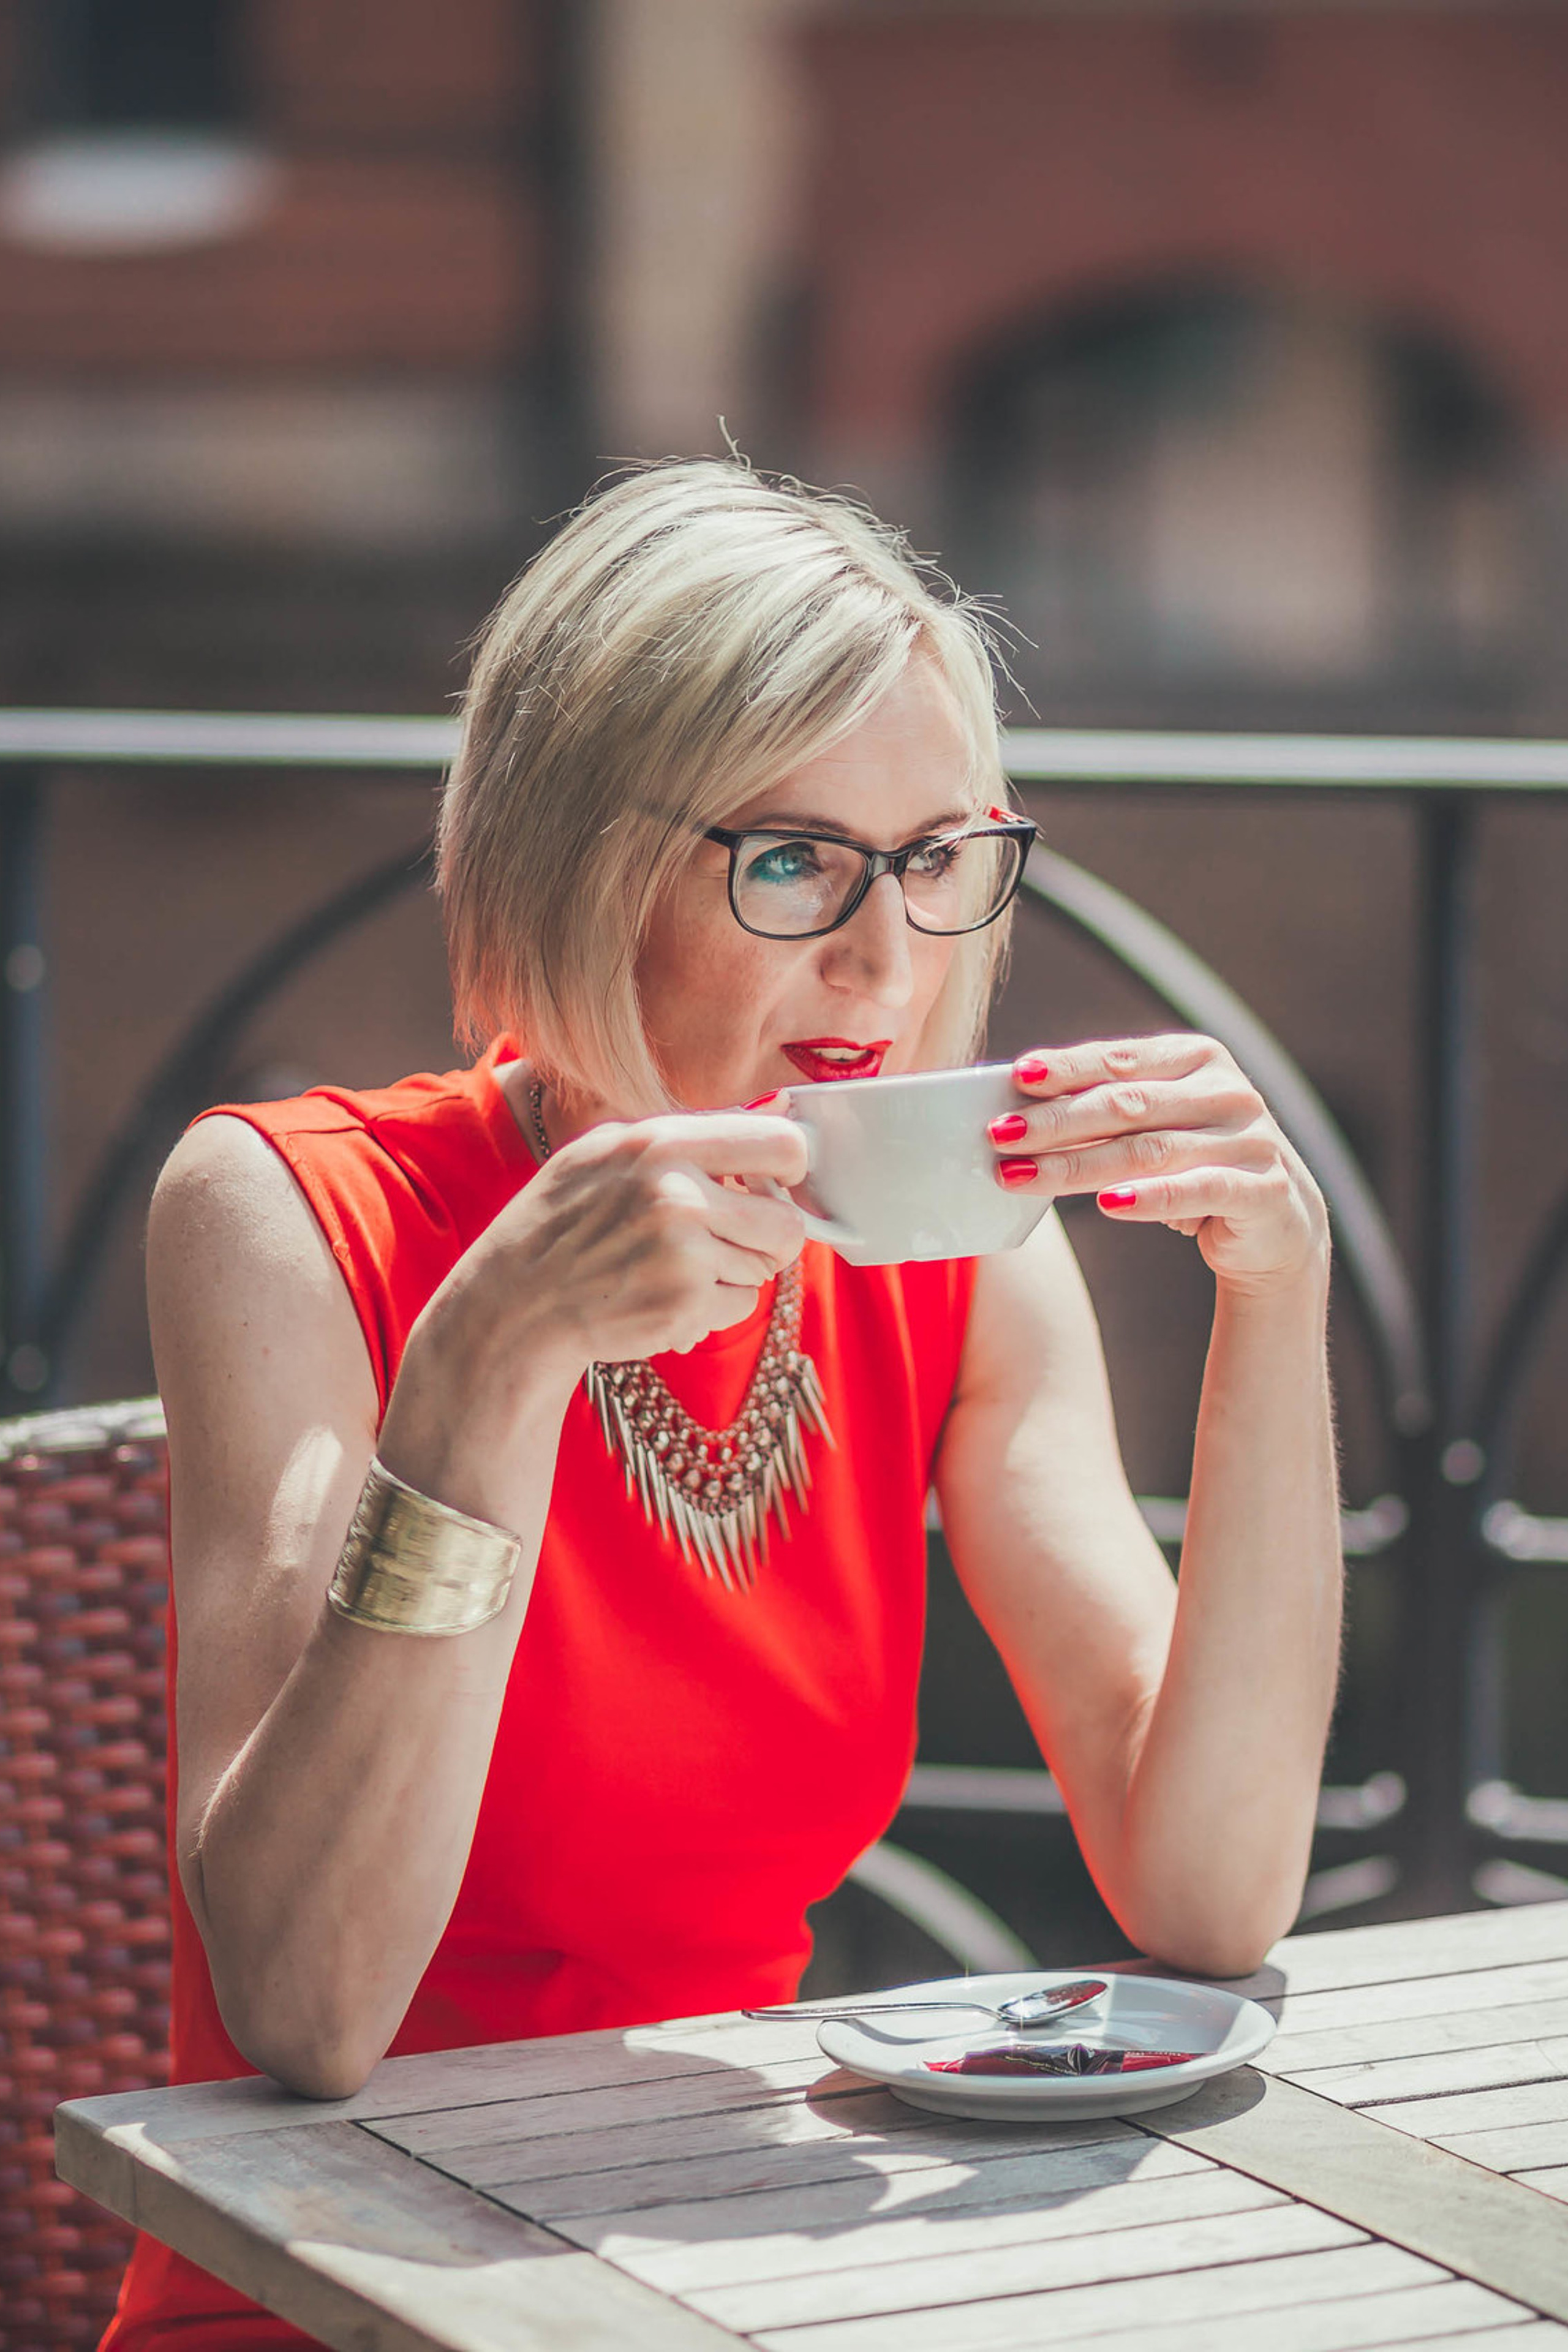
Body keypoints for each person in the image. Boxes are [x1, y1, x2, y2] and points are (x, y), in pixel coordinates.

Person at [103, 461, 1341, 2350]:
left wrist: (1277, 1295)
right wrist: (492, 1358)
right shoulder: (288, 1213)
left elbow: (1209, 1891)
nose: (883, 958)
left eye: (937, 859)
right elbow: (306, 2004)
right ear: (578, 856)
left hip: (740, 2274)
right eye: (792, 861)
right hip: (339, 2292)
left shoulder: (953, 1258)